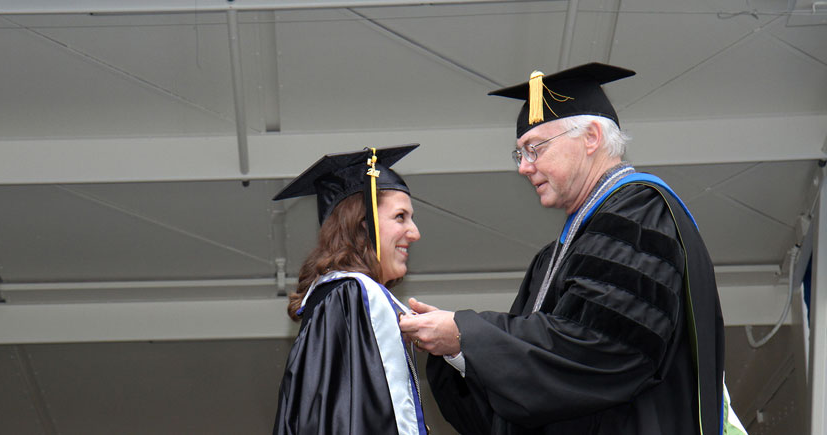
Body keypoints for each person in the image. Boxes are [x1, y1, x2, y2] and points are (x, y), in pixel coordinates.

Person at [399, 63, 745, 435]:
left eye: (535, 149)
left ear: (591, 137)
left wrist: (468, 333)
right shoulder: (557, 254)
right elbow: (529, 390)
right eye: (520, 155)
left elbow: (605, 350)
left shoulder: (639, 214)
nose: (524, 167)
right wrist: (454, 351)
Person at [272, 144, 429, 435]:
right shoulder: (351, 297)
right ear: (362, 225)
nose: (415, 232)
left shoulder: (335, 298)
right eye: (400, 217)